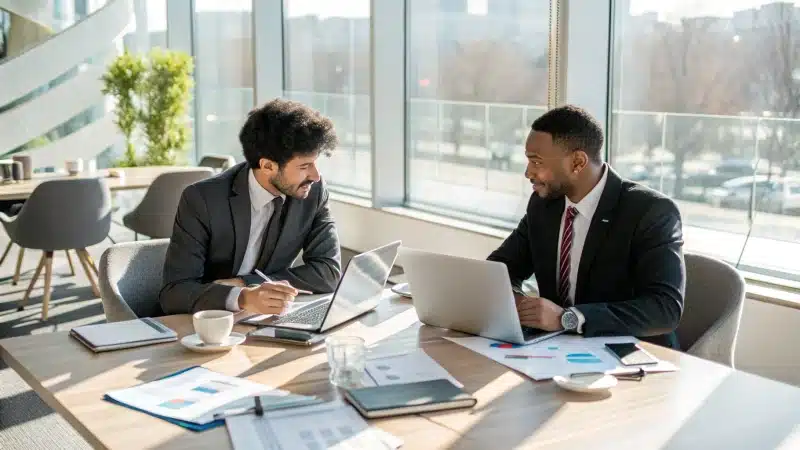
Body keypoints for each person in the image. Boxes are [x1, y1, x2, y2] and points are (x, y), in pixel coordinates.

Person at [487, 105, 685, 348]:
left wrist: (567, 319)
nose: (528, 172)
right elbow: (500, 269)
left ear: (578, 162)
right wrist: (516, 303)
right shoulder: (544, 205)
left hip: (628, 354)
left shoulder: (651, 212)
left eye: (537, 162)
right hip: (556, 348)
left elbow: (664, 309)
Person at [160, 98, 342, 316]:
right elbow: (174, 293)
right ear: (267, 166)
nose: (315, 175)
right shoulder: (202, 199)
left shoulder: (313, 191)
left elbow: (328, 272)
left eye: (315, 162)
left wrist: (245, 284)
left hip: (268, 317)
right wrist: (243, 298)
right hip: (210, 321)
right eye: (304, 166)